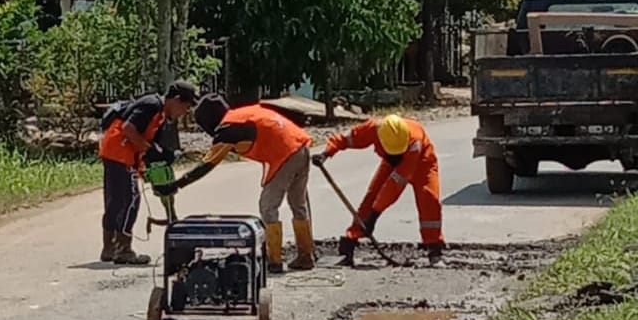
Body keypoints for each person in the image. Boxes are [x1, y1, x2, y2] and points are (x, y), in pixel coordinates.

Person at [156, 93, 314, 273]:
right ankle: (305, 256)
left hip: (284, 155)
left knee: (268, 207)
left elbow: (207, 164)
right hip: (301, 146)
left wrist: (176, 185)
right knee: (298, 205)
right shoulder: (242, 114)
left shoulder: (228, 129)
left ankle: (274, 260)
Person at [313, 114, 444, 266]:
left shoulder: (414, 141)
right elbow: (346, 138)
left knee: (429, 199)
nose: (395, 157)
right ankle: (350, 242)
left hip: (423, 163)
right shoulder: (374, 128)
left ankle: (435, 250)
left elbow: (395, 186)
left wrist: (374, 216)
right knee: (372, 196)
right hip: (390, 163)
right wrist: (326, 153)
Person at [98, 81, 198, 265]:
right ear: (175, 100)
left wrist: (154, 159)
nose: (184, 112)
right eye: (185, 107)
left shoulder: (160, 116)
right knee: (130, 200)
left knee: (116, 201)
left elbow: (146, 143)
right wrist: (149, 150)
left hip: (116, 152)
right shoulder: (152, 105)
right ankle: (123, 249)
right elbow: (128, 129)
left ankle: (109, 247)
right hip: (120, 152)